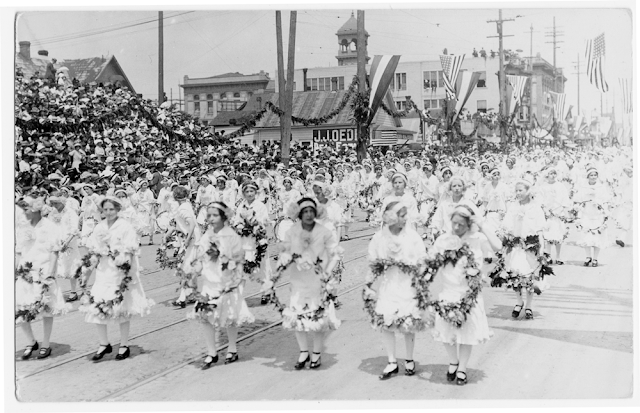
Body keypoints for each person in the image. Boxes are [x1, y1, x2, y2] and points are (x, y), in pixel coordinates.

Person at [430, 201, 502, 385]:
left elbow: (498, 246)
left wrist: (483, 223)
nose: (456, 227)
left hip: (470, 294)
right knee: (447, 330)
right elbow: (430, 263)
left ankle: (462, 368)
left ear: (469, 224)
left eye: (461, 224)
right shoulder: (443, 240)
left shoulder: (478, 238)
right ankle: (453, 361)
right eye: (454, 222)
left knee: (467, 332)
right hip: (449, 291)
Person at [268, 197, 342, 370]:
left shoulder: (323, 231)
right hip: (298, 280)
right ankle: (303, 352)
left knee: (317, 318)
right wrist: (288, 261)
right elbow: (284, 252)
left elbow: (335, 253)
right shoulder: (291, 231)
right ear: (299, 214)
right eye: (305, 212)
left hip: (318, 280)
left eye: (311, 211)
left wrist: (327, 272)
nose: (308, 215)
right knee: (298, 316)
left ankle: (316, 352)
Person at [80, 197, 154, 361]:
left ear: (117, 209)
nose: (108, 212)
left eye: (111, 209)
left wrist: (123, 262)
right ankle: (103, 343)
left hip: (119, 271)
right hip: (104, 271)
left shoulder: (125, 226)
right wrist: (86, 272)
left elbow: (131, 249)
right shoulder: (99, 227)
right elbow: (93, 251)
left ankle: (124, 344)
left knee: (121, 308)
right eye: (105, 209)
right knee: (98, 306)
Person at [187, 202, 255, 369]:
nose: (211, 218)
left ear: (223, 216)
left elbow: (239, 259)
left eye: (215, 215)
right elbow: (200, 258)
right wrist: (193, 273)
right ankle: (212, 352)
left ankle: (232, 348)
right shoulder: (206, 236)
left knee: (230, 316)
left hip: (227, 282)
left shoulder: (231, 235)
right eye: (208, 215)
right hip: (210, 282)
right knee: (206, 316)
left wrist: (234, 278)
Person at [366, 201, 429, 379]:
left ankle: (409, 359)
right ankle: (392, 361)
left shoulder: (413, 236)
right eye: (400, 215)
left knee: (407, 322)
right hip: (388, 284)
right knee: (387, 322)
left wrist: (415, 270)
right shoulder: (379, 237)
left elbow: (422, 258)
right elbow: (372, 258)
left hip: (408, 284)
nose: (404, 218)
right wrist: (376, 271)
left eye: (405, 215)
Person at [16, 197, 71, 360]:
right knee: (20, 309)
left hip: (44, 270)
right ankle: (31, 341)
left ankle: (46, 343)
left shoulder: (49, 227)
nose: (22, 213)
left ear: (35, 209)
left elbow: (54, 251)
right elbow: (18, 252)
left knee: (46, 309)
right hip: (25, 272)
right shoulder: (21, 227)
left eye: (25, 209)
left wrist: (51, 273)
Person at [500, 178, 549, 320]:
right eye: (516, 190)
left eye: (521, 190)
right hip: (516, 246)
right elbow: (508, 227)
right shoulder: (513, 207)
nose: (518, 193)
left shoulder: (535, 208)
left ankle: (528, 305)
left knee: (529, 277)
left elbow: (540, 230)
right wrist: (506, 241)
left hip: (531, 247)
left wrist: (541, 249)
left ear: (528, 191)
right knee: (515, 275)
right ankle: (518, 301)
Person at [164, 186, 201, 308]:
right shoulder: (185, 206)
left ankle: (182, 298)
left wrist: (187, 240)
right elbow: (177, 225)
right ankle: (192, 294)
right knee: (190, 268)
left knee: (185, 269)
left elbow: (191, 225)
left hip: (191, 241)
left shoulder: (183, 208)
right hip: (193, 240)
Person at [573, 167, 612, 267]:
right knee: (586, 236)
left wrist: (599, 203)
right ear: (588, 176)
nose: (593, 177)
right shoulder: (583, 187)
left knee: (597, 237)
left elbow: (607, 200)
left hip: (597, 215)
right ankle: (588, 257)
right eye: (591, 175)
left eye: (595, 175)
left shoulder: (601, 187)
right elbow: (577, 199)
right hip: (586, 214)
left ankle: (595, 258)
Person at [47, 192, 81, 302]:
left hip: (69, 242)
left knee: (71, 266)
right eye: (52, 203)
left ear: (62, 202)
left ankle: (73, 291)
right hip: (56, 242)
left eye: (56, 203)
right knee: (55, 267)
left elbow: (74, 229)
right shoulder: (52, 213)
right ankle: (55, 292)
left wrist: (67, 242)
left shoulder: (70, 212)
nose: (54, 205)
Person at [538, 168, 571, 264]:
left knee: (558, 236)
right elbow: (540, 200)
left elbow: (565, 199)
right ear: (546, 175)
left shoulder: (560, 186)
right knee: (547, 237)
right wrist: (545, 210)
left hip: (558, 213)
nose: (552, 175)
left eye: (554, 173)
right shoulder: (543, 187)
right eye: (550, 173)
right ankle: (548, 256)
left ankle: (558, 257)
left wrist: (563, 211)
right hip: (548, 214)